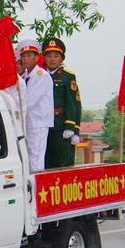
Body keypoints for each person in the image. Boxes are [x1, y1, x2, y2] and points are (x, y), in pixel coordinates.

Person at [16, 40, 54, 172]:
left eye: (29, 55)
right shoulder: (25, 76)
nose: (25, 59)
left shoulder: (42, 76)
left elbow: (30, 101)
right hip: (27, 122)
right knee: (26, 158)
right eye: (23, 56)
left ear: (37, 57)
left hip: (38, 123)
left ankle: (37, 190)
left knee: (35, 159)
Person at [43, 38, 81, 169]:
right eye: (49, 56)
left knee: (63, 165)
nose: (52, 59)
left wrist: (72, 128)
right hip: (43, 126)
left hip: (61, 126)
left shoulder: (67, 76)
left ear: (62, 58)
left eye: (56, 56)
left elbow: (74, 103)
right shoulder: (40, 75)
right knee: (46, 163)